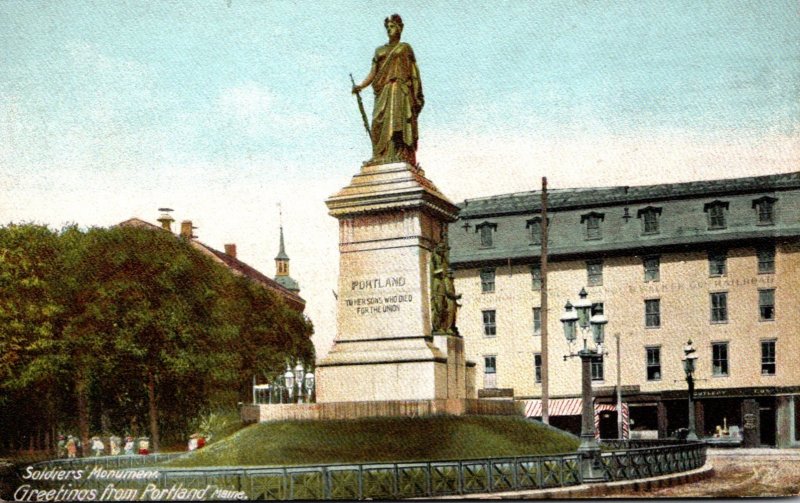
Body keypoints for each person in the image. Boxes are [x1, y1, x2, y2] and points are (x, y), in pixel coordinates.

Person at [352, 14, 424, 166]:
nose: (389, 30)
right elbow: (373, 73)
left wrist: (415, 94)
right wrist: (361, 86)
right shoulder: (379, 51)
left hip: (400, 90)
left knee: (398, 123)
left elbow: (414, 73)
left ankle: (400, 154)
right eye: (388, 27)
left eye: (392, 27)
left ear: (400, 28)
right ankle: (379, 155)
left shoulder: (405, 48)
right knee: (378, 122)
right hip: (383, 90)